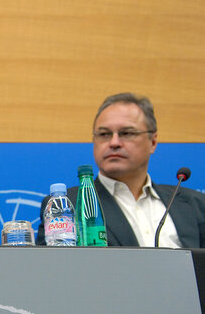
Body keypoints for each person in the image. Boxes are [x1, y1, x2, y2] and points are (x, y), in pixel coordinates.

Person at [37, 93, 205, 247]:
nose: (114, 142)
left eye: (126, 133)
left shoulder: (195, 204)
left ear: (153, 142)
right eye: (104, 134)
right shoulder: (69, 205)